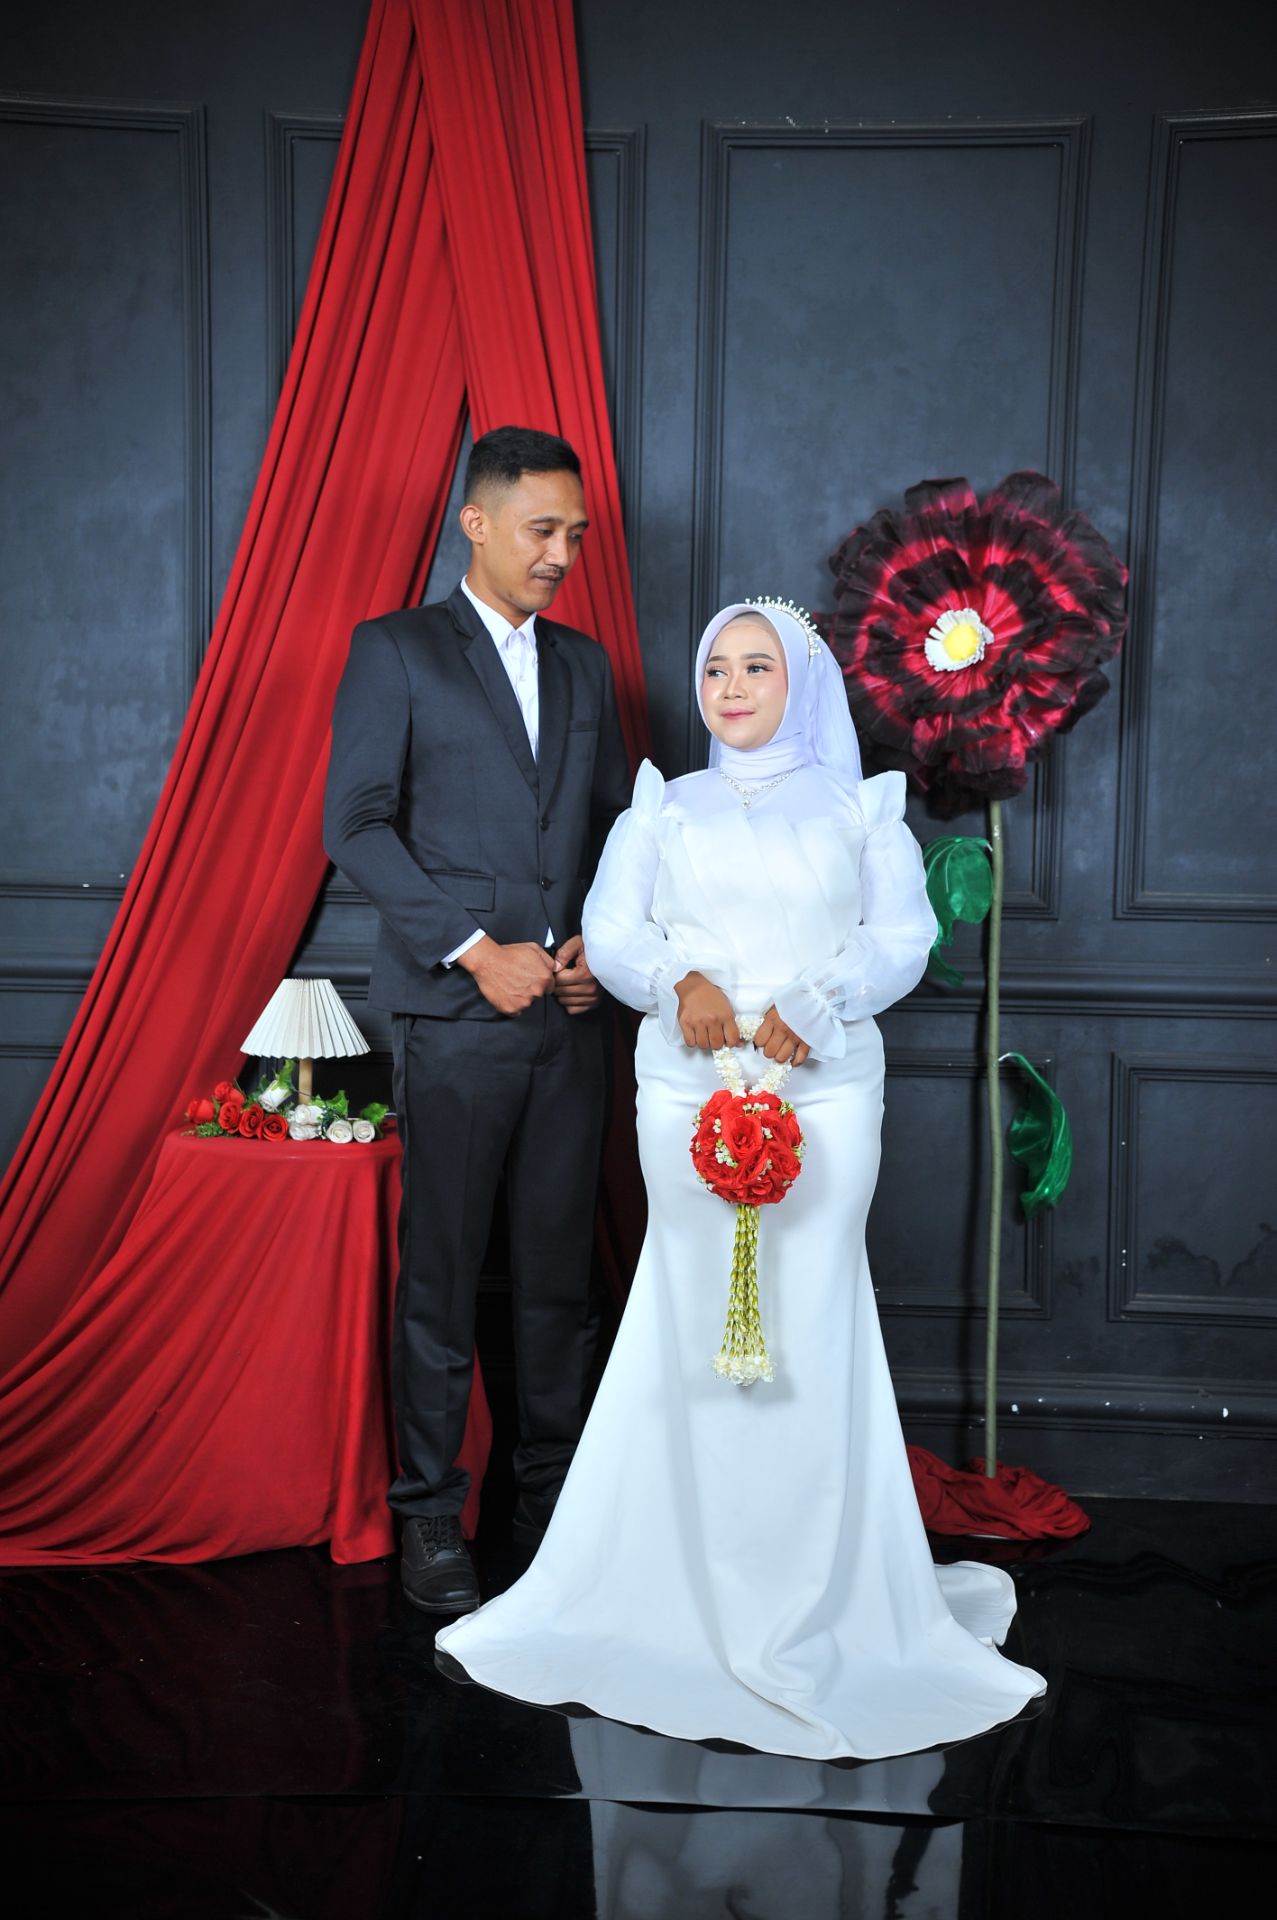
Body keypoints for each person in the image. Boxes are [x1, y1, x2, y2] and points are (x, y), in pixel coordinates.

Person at [436, 599, 1047, 1760]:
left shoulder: (860, 809)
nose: (729, 687)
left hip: (823, 1085)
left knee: (807, 1308)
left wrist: (817, 1000)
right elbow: (613, 932)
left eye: (755, 667)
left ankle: (817, 1590)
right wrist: (681, 981)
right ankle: (667, 1579)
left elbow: (901, 940)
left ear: (798, 682)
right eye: (714, 667)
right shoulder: (662, 805)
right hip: (684, 1085)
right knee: (686, 1304)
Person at [323, 425, 630, 1615]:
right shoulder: (395, 650)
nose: (560, 554)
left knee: (557, 1280)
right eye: (542, 530)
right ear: (478, 523)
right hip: (451, 1016)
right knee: (442, 1280)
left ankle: (549, 1508)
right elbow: (354, 824)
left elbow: (614, 832)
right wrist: (470, 950)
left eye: (575, 536)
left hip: (570, 1020)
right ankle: (427, 1516)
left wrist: (603, 944)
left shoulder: (589, 667)